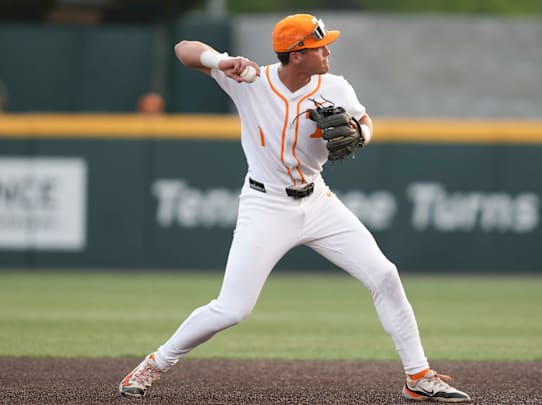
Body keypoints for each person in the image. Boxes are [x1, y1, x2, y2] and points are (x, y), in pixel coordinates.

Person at [119, 13, 471, 403]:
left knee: (385, 275)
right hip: (265, 205)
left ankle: (418, 377)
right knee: (233, 308)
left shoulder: (334, 86)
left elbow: (364, 121)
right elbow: (183, 49)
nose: (328, 51)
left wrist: (361, 134)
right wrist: (221, 61)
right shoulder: (250, 82)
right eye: (320, 46)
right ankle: (154, 363)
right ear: (297, 54)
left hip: (318, 201)